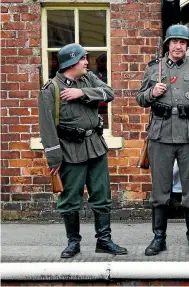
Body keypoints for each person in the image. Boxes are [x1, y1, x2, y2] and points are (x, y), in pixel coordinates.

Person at [38, 43, 128, 258]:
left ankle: (104, 241)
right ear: (71, 62)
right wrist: (54, 158)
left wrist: (82, 93)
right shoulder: (52, 88)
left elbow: (109, 92)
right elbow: (47, 127)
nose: (86, 62)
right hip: (70, 150)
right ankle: (73, 243)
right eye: (82, 59)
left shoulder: (88, 79)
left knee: (102, 195)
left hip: (95, 146)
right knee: (70, 199)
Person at [136, 24, 189, 257]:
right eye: (174, 42)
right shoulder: (154, 68)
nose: (178, 46)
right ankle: (158, 238)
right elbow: (140, 99)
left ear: (187, 46)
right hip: (160, 135)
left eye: (183, 43)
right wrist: (153, 93)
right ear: (167, 45)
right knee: (160, 189)